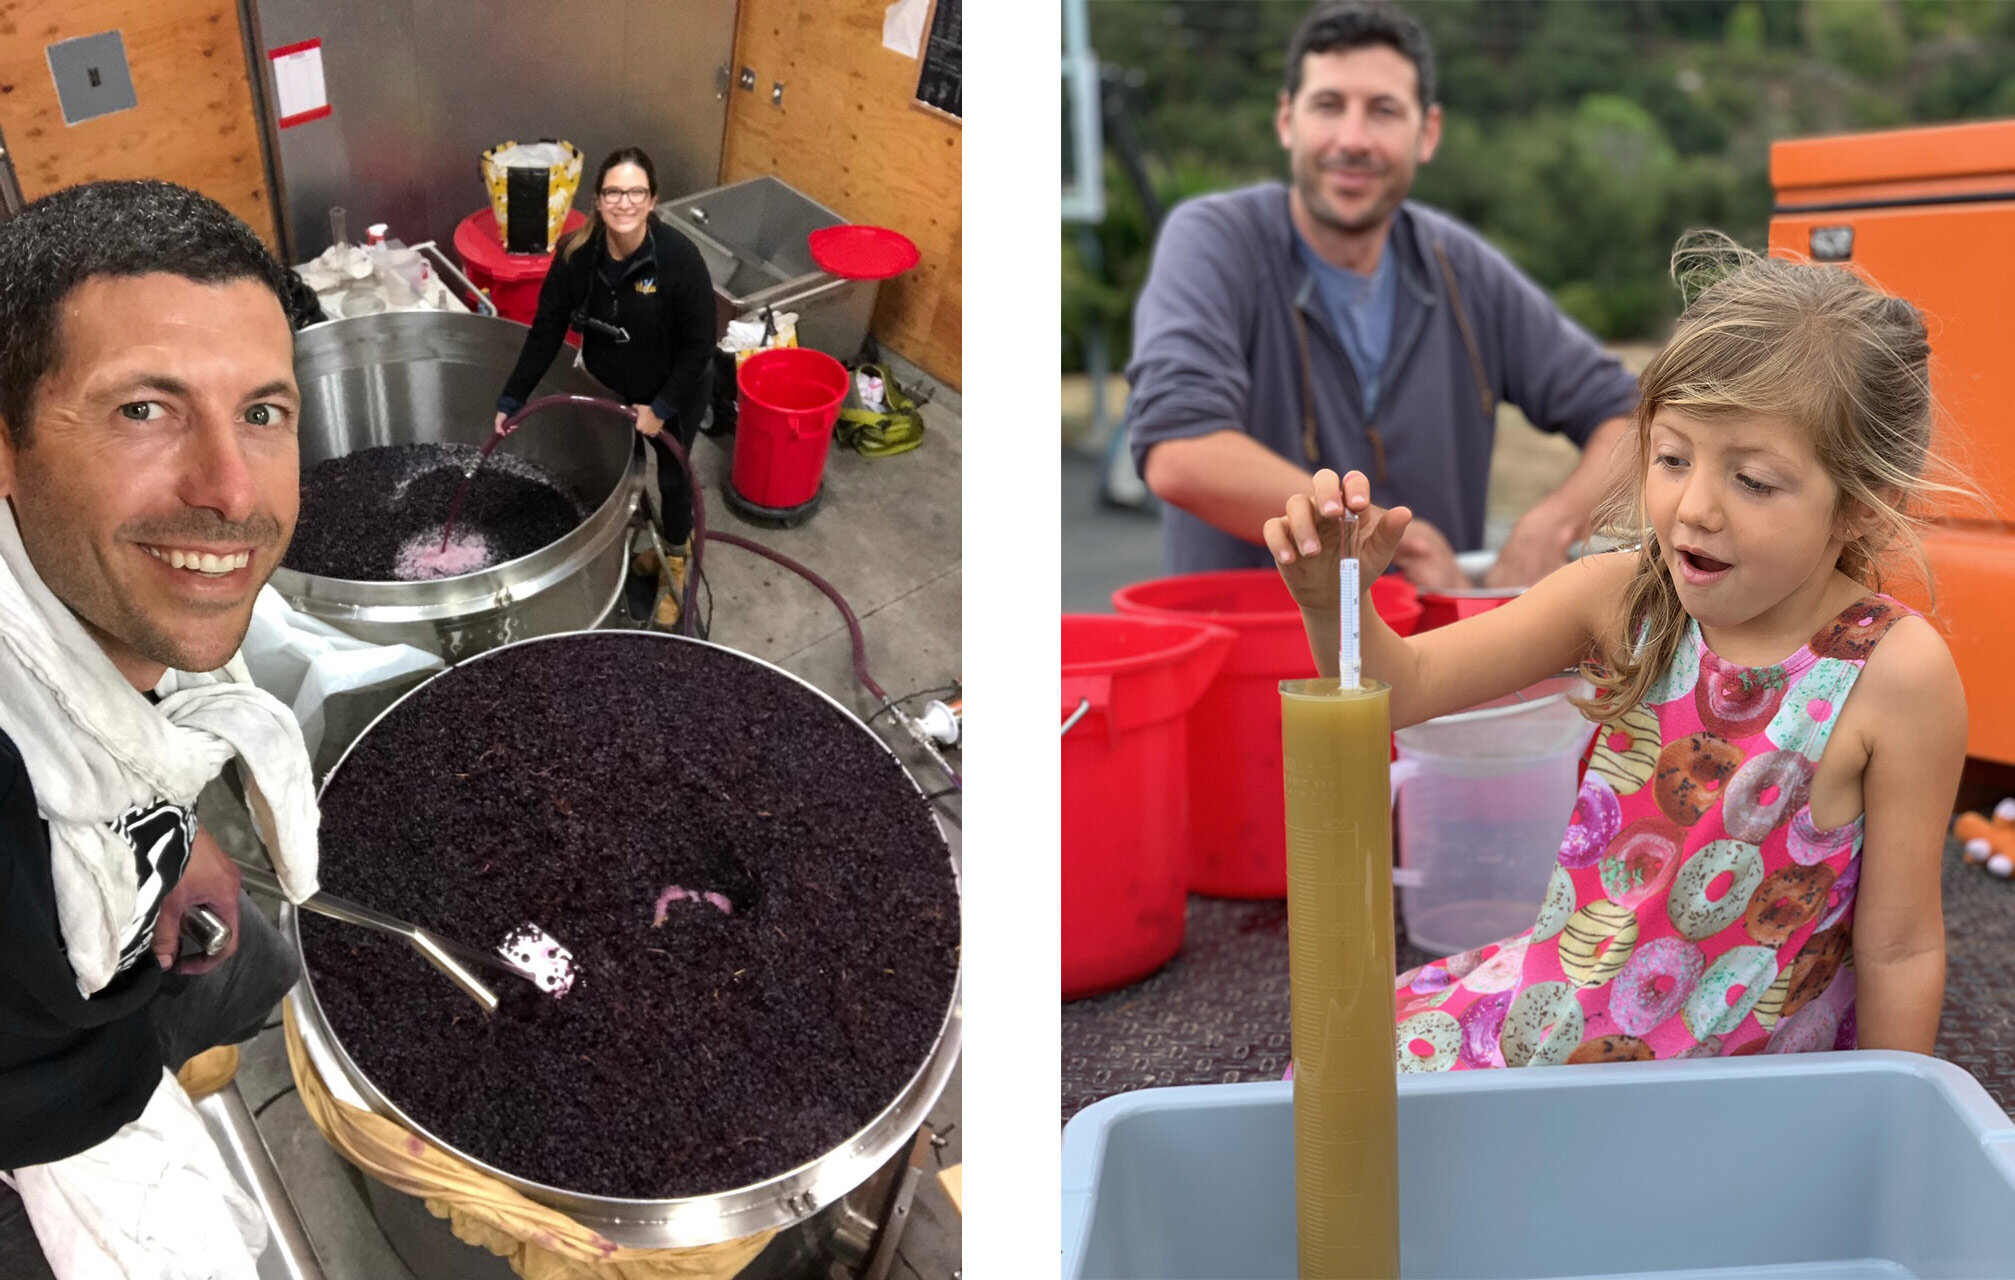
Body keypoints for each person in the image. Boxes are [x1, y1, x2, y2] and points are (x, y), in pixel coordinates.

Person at [1267, 238, 1963, 1067]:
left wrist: (1885, 1131)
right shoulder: (1619, 595)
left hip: (1753, 1077)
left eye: (1753, 480)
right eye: (1671, 458)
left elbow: (1902, 950)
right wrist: (1330, 599)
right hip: (1572, 1014)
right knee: (1334, 1062)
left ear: (1859, 508)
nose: (1693, 507)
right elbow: (1402, 685)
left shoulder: (1895, 673)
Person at [0, 181, 321, 1273]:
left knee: (266, 962)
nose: (229, 491)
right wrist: (139, 1076)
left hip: (115, 993)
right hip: (43, 1138)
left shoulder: (98, 608)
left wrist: (174, 837)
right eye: (145, 408)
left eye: (262, 413)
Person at [1127, 0, 1641, 590]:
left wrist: (1551, 526)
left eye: (1383, 111)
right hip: (1253, 657)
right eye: (1328, 106)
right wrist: (1389, 535)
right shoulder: (1217, 241)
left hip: (1429, 664)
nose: (1353, 140)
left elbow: (1631, 417)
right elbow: (1180, 450)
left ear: (1428, 133)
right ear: (1286, 120)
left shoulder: (1460, 266)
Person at [495, 146, 717, 630]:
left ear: (653, 199)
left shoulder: (679, 261)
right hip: (609, 387)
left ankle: (674, 562)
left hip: (672, 389)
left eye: (636, 192)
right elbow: (546, 329)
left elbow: (701, 345)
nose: (624, 203)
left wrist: (660, 408)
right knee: (618, 469)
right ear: (597, 200)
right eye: (614, 192)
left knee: (672, 477)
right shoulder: (576, 255)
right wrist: (513, 398)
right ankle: (641, 542)